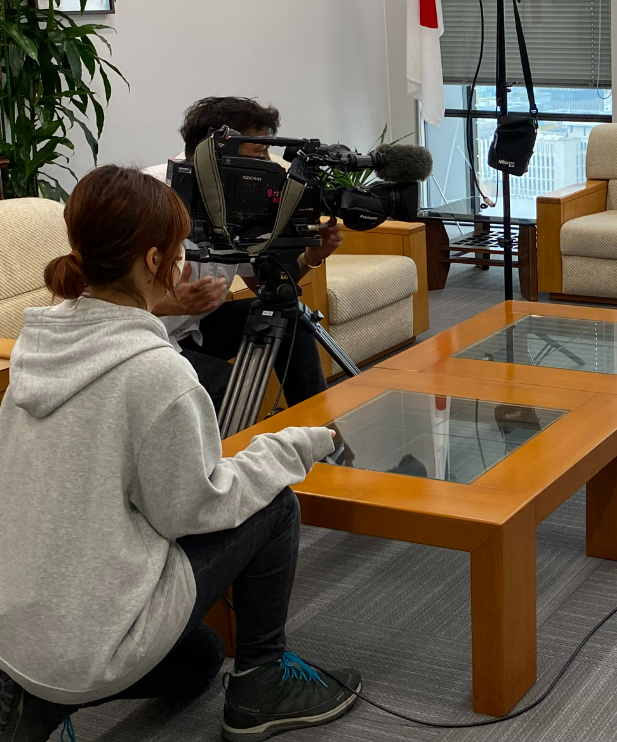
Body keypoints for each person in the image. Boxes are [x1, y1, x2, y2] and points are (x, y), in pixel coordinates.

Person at [0, 166, 359, 742]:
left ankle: (34, 699)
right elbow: (194, 511)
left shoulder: (36, 347)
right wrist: (292, 445)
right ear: (153, 260)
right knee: (272, 504)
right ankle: (261, 687)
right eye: (178, 250)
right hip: (87, 640)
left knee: (201, 659)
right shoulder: (156, 373)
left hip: (15, 627)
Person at [154, 97, 343, 410]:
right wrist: (171, 304)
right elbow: (97, 298)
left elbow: (265, 286)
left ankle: (319, 426)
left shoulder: (242, 197)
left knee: (288, 314)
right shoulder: (149, 195)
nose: (269, 164)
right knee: (231, 387)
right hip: (146, 338)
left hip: (193, 330)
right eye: (259, 153)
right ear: (218, 149)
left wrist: (311, 256)